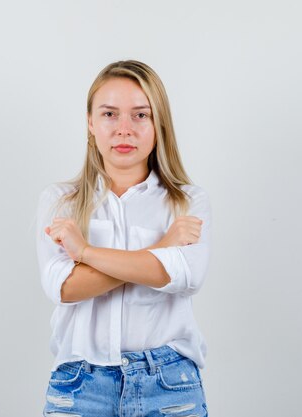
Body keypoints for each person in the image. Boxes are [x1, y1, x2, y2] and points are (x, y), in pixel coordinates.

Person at [35, 60, 212, 416]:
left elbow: (181, 277)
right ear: (90, 123)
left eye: (140, 115)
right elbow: (66, 288)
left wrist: (84, 252)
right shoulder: (60, 202)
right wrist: (162, 247)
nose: (124, 130)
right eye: (110, 114)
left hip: (168, 385)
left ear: (159, 123)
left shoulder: (188, 201)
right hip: (80, 385)